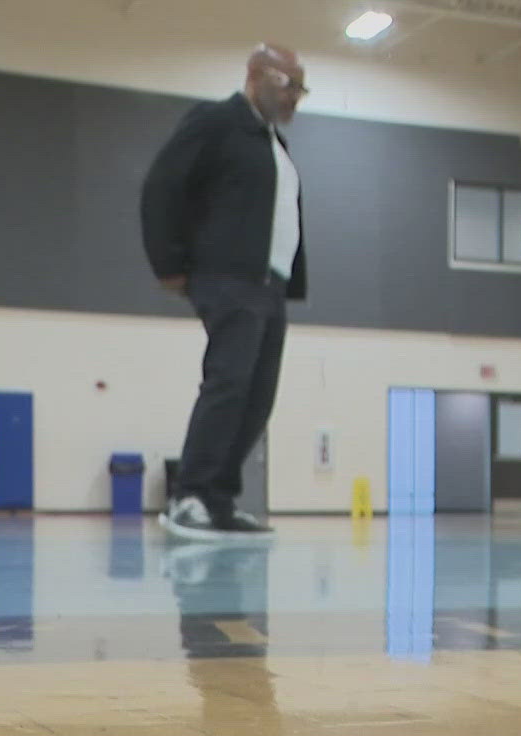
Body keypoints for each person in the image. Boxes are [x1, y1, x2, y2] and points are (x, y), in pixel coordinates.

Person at [140, 43, 309, 539]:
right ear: (256, 75)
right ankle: (189, 495)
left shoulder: (273, 143)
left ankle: (217, 499)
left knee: (258, 395)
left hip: (269, 285)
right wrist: (169, 264)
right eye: (288, 84)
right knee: (229, 382)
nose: (296, 96)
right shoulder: (215, 122)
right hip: (228, 278)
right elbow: (161, 185)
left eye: (302, 87)